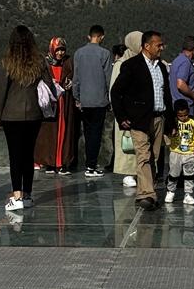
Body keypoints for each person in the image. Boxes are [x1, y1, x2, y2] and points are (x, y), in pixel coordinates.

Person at [0, 25, 56, 211]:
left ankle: (17, 195)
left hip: (11, 115)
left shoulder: (8, 62)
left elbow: (1, 91)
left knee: (15, 155)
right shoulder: (39, 61)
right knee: (29, 155)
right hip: (34, 114)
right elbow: (49, 86)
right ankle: (27, 194)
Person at [111, 30, 173, 211]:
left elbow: (166, 94)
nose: (161, 47)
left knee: (154, 157)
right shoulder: (132, 66)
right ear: (147, 46)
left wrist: (170, 121)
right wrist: (122, 117)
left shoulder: (161, 67)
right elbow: (116, 92)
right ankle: (146, 194)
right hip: (139, 119)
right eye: (158, 45)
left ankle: (148, 189)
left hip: (158, 118)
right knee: (143, 156)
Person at [72, 25, 112, 177]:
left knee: (87, 133)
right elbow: (108, 78)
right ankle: (91, 165)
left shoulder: (79, 53)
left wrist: (77, 97)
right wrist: (109, 99)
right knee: (96, 133)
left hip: (84, 99)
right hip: (99, 100)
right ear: (101, 37)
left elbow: (76, 78)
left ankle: (88, 164)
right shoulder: (105, 54)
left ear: (89, 36)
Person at [36, 37, 76, 174]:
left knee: (64, 132)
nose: (60, 53)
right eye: (58, 50)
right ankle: (50, 162)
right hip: (50, 103)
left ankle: (62, 162)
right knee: (49, 132)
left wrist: (69, 83)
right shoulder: (45, 63)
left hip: (64, 103)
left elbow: (72, 77)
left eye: (62, 50)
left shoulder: (68, 62)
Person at [110, 31, 141, 187]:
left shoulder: (141, 61)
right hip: (125, 111)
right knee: (127, 144)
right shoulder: (121, 64)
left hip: (139, 110)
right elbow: (114, 91)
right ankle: (127, 173)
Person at [164, 99, 194, 205]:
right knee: (174, 173)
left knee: (189, 174)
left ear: (188, 112)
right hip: (176, 152)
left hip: (189, 152)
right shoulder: (173, 123)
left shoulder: (192, 123)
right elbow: (166, 134)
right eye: (180, 116)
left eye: (185, 115)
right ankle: (170, 191)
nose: (183, 118)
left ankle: (188, 194)